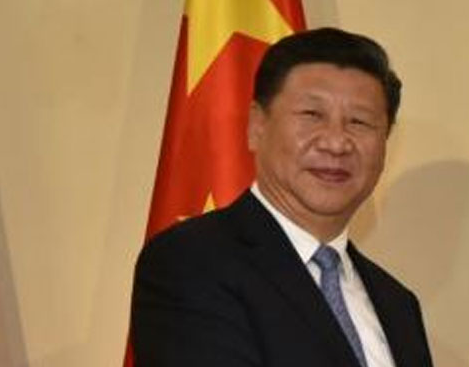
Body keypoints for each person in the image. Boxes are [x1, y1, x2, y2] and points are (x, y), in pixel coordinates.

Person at [131, 27, 433, 367]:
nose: (336, 143)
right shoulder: (191, 262)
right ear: (257, 126)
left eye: (359, 122)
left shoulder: (398, 304)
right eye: (312, 115)